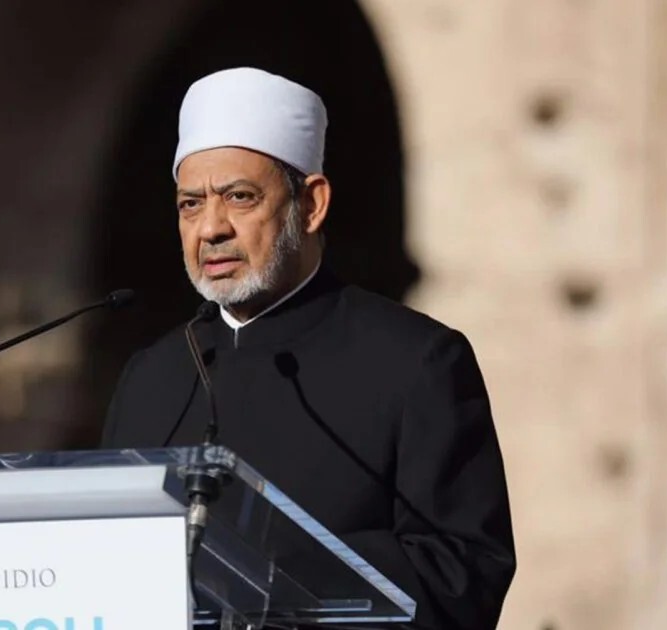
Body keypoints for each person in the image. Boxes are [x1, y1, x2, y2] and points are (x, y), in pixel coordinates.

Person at [100, 67, 515, 629]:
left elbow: (464, 576)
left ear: (312, 204)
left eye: (239, 197)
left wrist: (273, 566)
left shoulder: (418, 361)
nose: (211, 228)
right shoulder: (151, 377)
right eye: (190, 204)